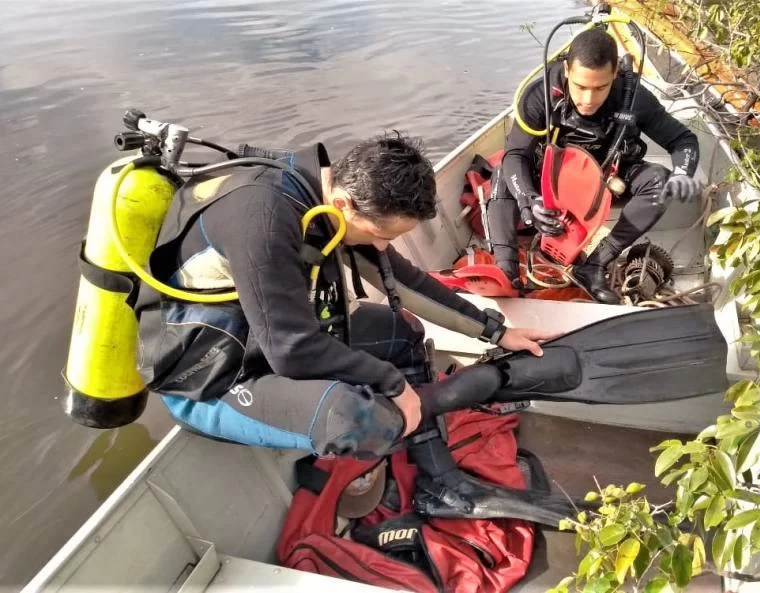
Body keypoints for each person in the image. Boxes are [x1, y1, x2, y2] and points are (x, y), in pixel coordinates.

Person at [136, 132, 557, 458]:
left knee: (403, 333)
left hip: (265, 334)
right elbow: (291, 351)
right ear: (343, 204)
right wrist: (392, 383)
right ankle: (404, 420)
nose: (382, 247)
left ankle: (433, 469)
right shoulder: (263, 220)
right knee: (351, 416)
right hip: (212, 376)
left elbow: (406, 281)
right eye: (381, 235)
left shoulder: (323, 199)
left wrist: (496, 332)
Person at [485, 26, 702, 303]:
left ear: (614, 75)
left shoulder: (633, 97)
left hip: (608, 177)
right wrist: (529, 201)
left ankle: (595, 264)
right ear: (567, 70)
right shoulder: (541, 94)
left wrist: (683, 173)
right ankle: (506, 270)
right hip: (550, 178)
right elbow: (516, 153)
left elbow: (683, 140)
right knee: (504, 172)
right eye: (580, 87)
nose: (588, 100)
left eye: (600, 88)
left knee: (660, 180)